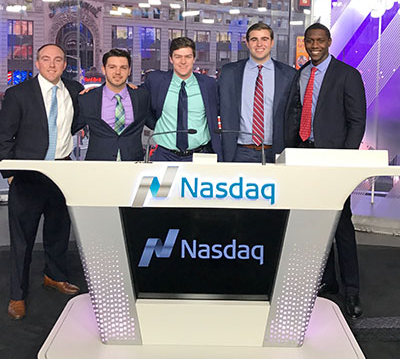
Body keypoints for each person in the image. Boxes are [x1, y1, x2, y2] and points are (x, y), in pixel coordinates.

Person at [285, 22, 367, 319]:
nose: (315, 45)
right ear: (305, 43)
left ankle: (352, 291)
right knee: (314, 222)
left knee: (341, 224)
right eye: (310, 40)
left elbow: (357, 121)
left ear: (329, 41)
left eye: (320, 40)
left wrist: (343, 161)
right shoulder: (302, 73)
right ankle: (328, 280)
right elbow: (296, 114)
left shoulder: (348, 74)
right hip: (304, 156)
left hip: (334, 161)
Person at [0, 44, 83, 320]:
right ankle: (17, 294)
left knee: (59, 231)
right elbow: (4, 137)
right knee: (22, 240)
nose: (52, 64)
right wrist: (10, 174)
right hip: (28, 174)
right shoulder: (18, 94)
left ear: (64, 64)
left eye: (58, 60)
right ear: (37, 63)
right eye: (46, 59)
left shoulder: (73, 90)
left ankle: (54, 276)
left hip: (62, 171)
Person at [218, 22, 296, 163]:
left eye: (264, 39)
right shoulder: (229, 73)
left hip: (277, 151)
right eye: (254, 39)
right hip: (240, 152)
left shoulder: (289, 75)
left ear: (272, 42)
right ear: (247, 43)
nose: (259, 44)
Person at [143, 36, 221, 161]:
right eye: (178, 57)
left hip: (200, 155)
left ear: (194, 58)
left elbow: (219, 110)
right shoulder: (156, 80)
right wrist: (156, 124)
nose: (183, 62)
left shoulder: (209, 84)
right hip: (164, 155)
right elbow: (140, 103)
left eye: (188, 57)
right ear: (171, 59)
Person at [76, 49, 150, 161]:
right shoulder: (88, 98)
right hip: (98, 165)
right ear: (104, 69)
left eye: (123, 68)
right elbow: (71, 126)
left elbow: (154, 121)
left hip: (133, 164)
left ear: (129, 70)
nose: (117, 72)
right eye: (112, 67)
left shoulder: (142, 96)